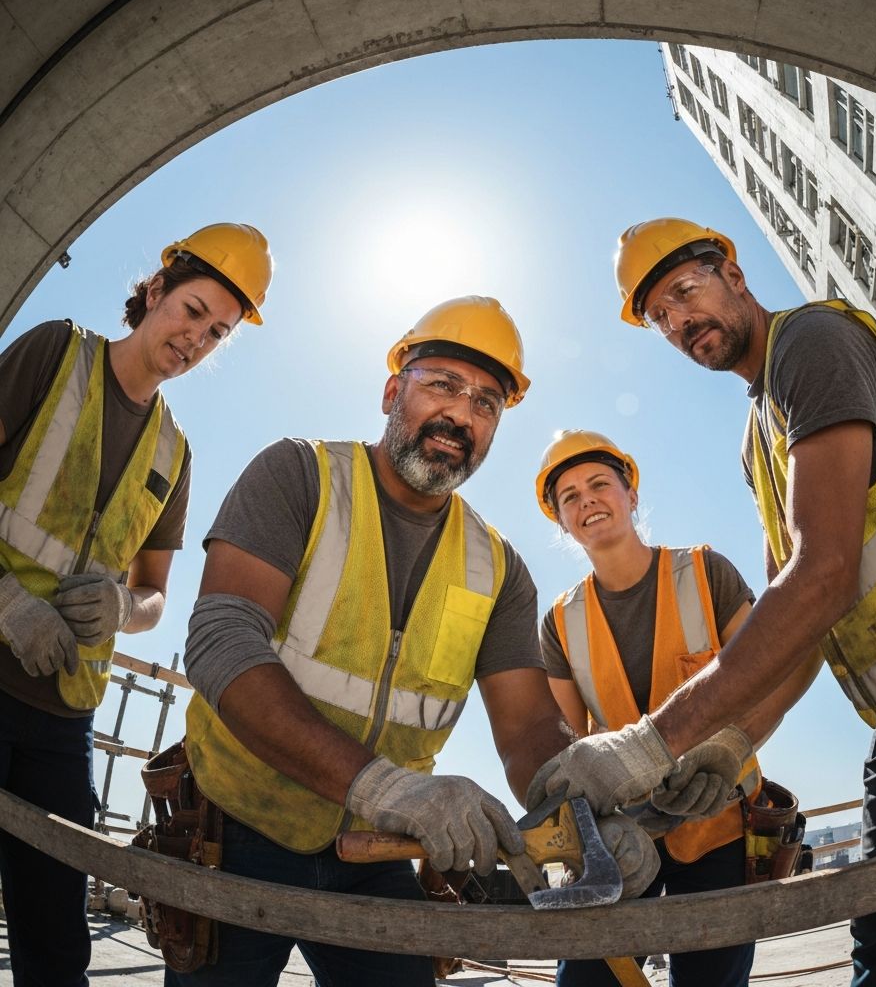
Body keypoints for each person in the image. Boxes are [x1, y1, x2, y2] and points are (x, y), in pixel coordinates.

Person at [528, 218, 876, 987]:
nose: (680, 321)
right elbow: (794, 629)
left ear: (733, 272)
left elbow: (820, 576)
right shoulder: (757, 436)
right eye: (660, 316)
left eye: (686, 292)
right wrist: (729, 748)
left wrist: (650, 744)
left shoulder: (813, 345)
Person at [172, 296, 659, 987]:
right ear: (391, 391)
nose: (462, 415)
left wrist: (582, 820)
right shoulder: (299, 476)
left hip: (375, 853)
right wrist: (378, 783)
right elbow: (221, 642)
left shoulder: (497, 567)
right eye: (443, 385)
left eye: (488, 403)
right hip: (238, 827)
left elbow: (527, 733)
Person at [0, 222, 274, 987]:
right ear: (153, 292)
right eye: (192, 310)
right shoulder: (55, 355)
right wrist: (7, 602)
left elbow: (156, 594)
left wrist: (123, 607)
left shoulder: (174, 453)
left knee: (55, 946)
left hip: (62, 717)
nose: (196, 338)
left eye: (217, 332)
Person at [535, 428, 769, 987]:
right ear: (562, 522)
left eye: (598, 484)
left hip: (719, 824)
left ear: (631, 494)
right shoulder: (559, 623)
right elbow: (562, 744)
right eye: (569, 497)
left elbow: (768, 674)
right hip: (620, 839)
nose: (586, 499)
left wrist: (727, 749)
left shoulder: (706, 572)